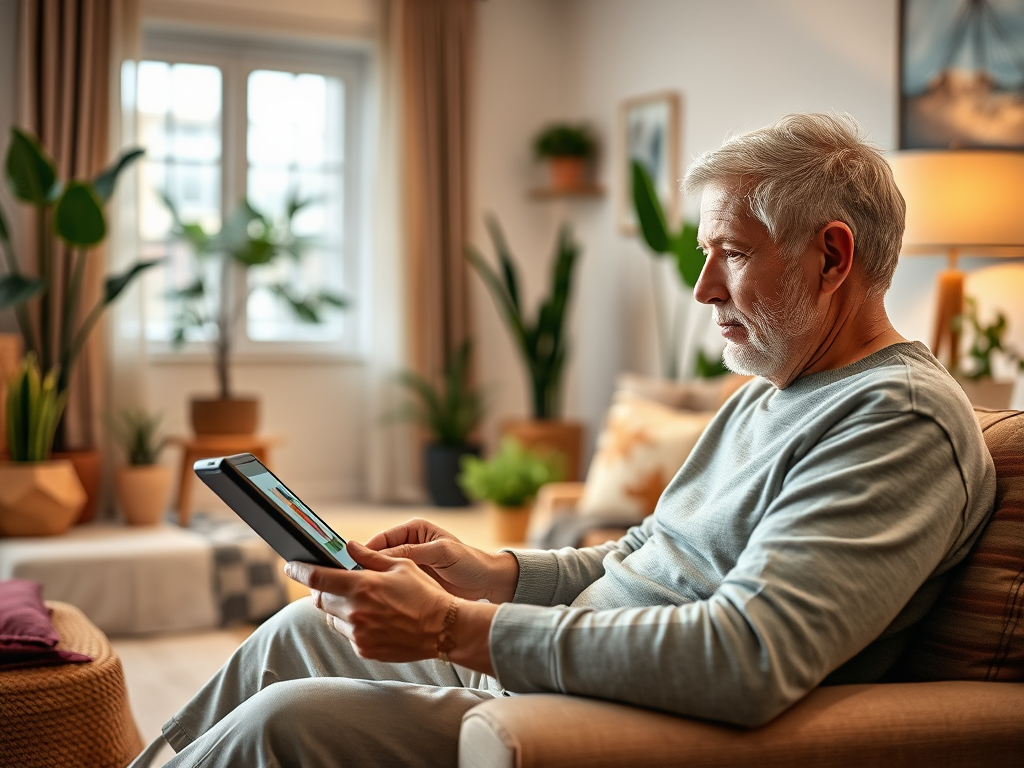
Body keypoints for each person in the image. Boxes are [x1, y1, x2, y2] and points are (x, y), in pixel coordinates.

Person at [132, 113, 996, 768]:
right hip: (554, 657)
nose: (702, 290)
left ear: (832, 257)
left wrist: (456, 630)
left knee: (283, 723)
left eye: (728, 253)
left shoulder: (896, 420)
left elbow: (751, 654)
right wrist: (495, 573)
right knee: (294, 635)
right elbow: (652, 552)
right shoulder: (774, 390)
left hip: (613, 712)